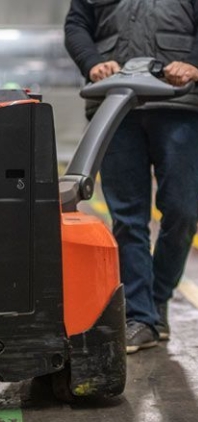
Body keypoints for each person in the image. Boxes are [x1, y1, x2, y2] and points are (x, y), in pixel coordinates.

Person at [64, 0, 198, 353]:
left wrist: (193, 64)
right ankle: (141, 316)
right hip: (115, 105)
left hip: (179, 105)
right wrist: (92, 63)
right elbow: (77, 25)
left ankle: (156, 299)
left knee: (184, 211)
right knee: (127, 216)